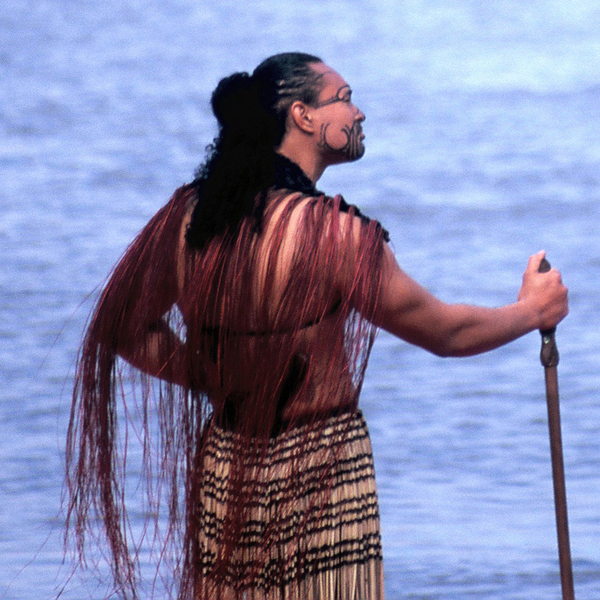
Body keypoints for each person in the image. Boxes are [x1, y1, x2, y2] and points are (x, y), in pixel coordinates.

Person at [65, 52, 568, 600]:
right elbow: (443, 333)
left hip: (228, 467)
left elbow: (124, 326)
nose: (359, 114)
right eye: (345, 98)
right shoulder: (336, 234)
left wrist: (213, 379)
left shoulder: (190, 218)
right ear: (304, 116)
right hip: (326, 477)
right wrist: (531, 312)